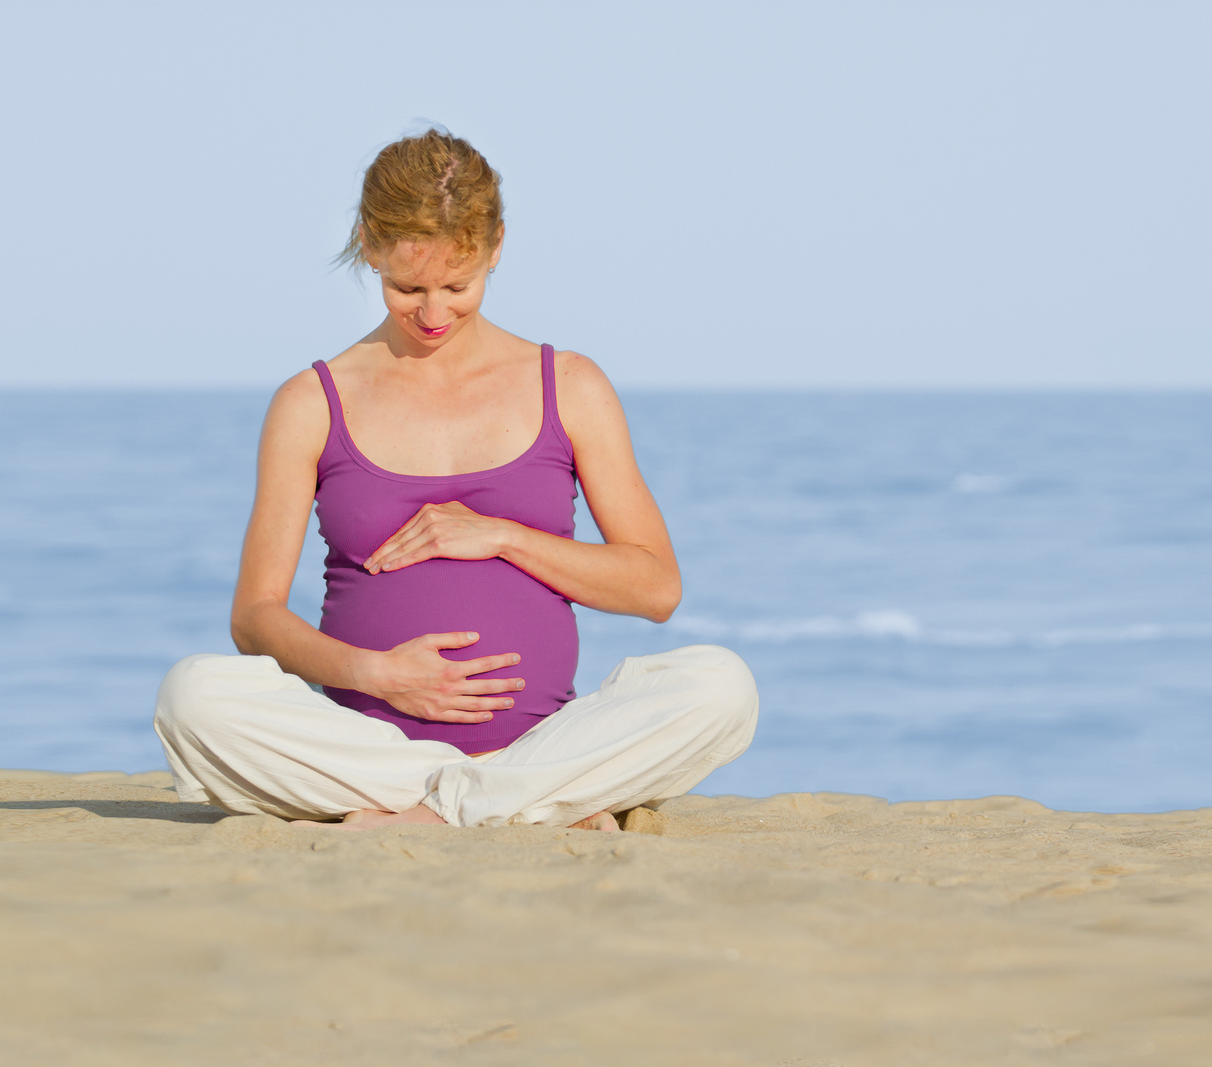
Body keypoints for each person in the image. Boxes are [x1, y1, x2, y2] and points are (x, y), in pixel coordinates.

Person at [153, 130, 758, 831]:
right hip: (370, 749)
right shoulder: (311, 402)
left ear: (496, 247)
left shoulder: (570, 386)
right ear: (369, 245)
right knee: (191, 697)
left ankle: (434, 810)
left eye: (457, 287)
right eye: (408, 288)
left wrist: (503, 536)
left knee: (722, 688)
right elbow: (254, 617)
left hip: (537, 742)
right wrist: (375, 674)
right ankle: (514, 803)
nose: (433, 314)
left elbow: (656, 588)